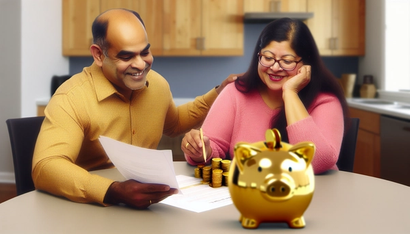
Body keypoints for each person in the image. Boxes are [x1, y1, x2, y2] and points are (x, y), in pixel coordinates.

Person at [32, 8, 236, 209]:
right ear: (98, 55)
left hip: (146, 207)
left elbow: (175, 124)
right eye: (127, 56)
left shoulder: (157, 85)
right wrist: (113, 190)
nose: (140, 64)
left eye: (145, 52)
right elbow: (46, 166)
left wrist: (220, 92)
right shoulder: (71, 98)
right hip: (86, 208)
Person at [182, 18, 350, 174]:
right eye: (268, 58)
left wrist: (290, 93)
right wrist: (199, 150)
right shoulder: (235, 92)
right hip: (249, 196)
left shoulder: (326, 102)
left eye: (287, 60)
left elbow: (316, 162)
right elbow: (212, 149)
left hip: (313, 198)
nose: (275, 67)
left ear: (306, 63)